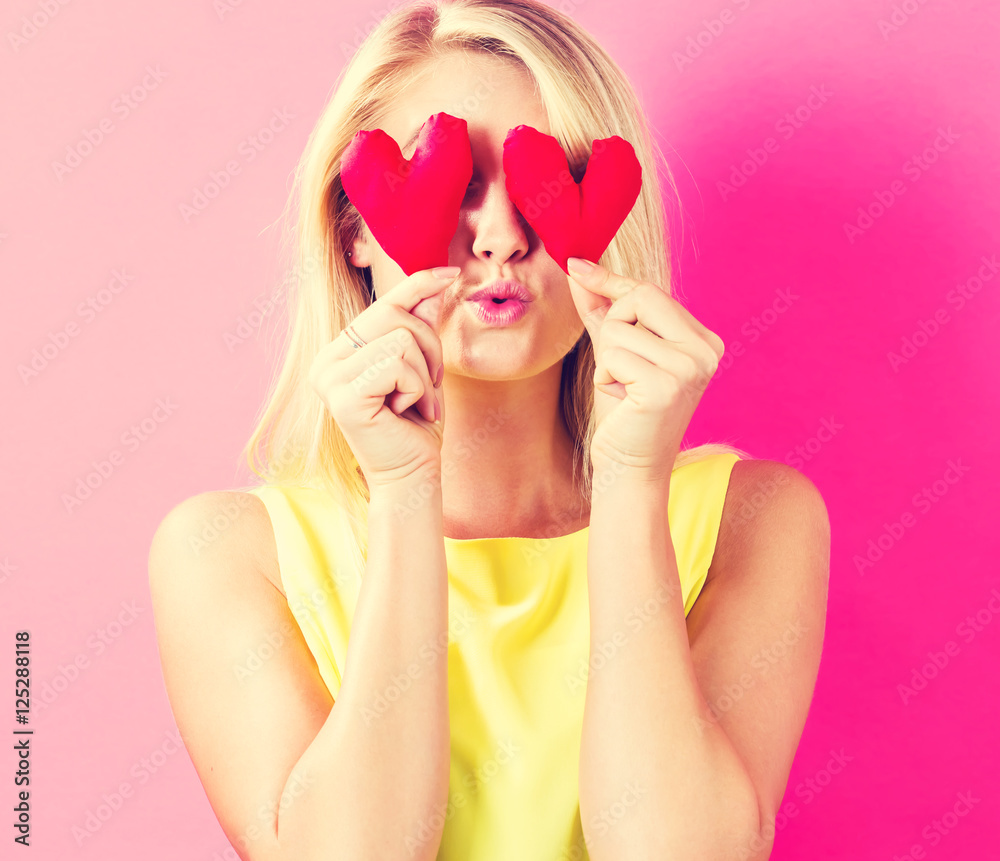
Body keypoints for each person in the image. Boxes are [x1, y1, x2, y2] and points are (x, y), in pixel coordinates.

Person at [148, 1, 830, 859]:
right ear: (355, 228)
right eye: (458, 185)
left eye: (546, 184)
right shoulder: (225, 551)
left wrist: (629, 483)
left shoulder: (752, 519)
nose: (502, 237)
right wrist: (402, 494)